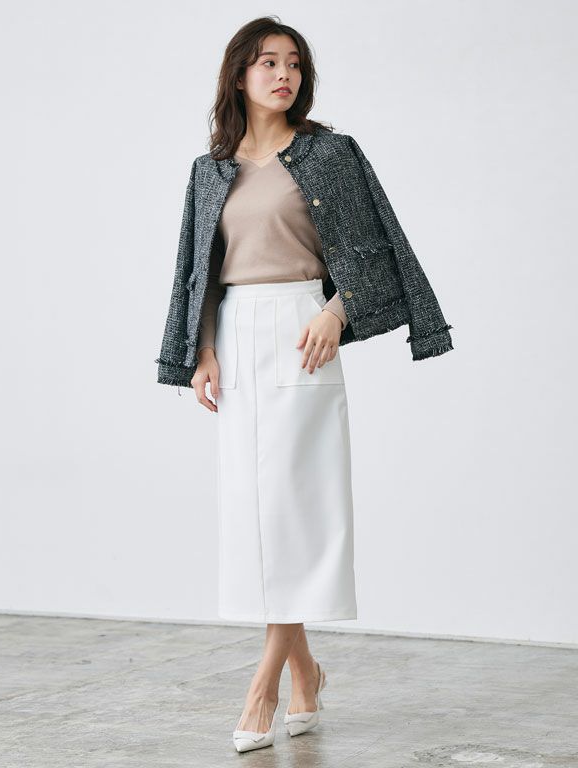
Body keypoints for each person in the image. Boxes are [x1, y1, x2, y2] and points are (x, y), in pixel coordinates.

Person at [156, 15, 453, 754]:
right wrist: (201, 349)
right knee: (255, 517)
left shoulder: (329, 154)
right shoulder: (209, 170)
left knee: (295, 513)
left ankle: (262, 686)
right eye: (268, 62)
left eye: (293, 63)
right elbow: (196, 270)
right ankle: (307, 673)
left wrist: (336, 310)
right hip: (236, 337)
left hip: (301, 333)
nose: (283, 74)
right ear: (239, 76)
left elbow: (376, 250)